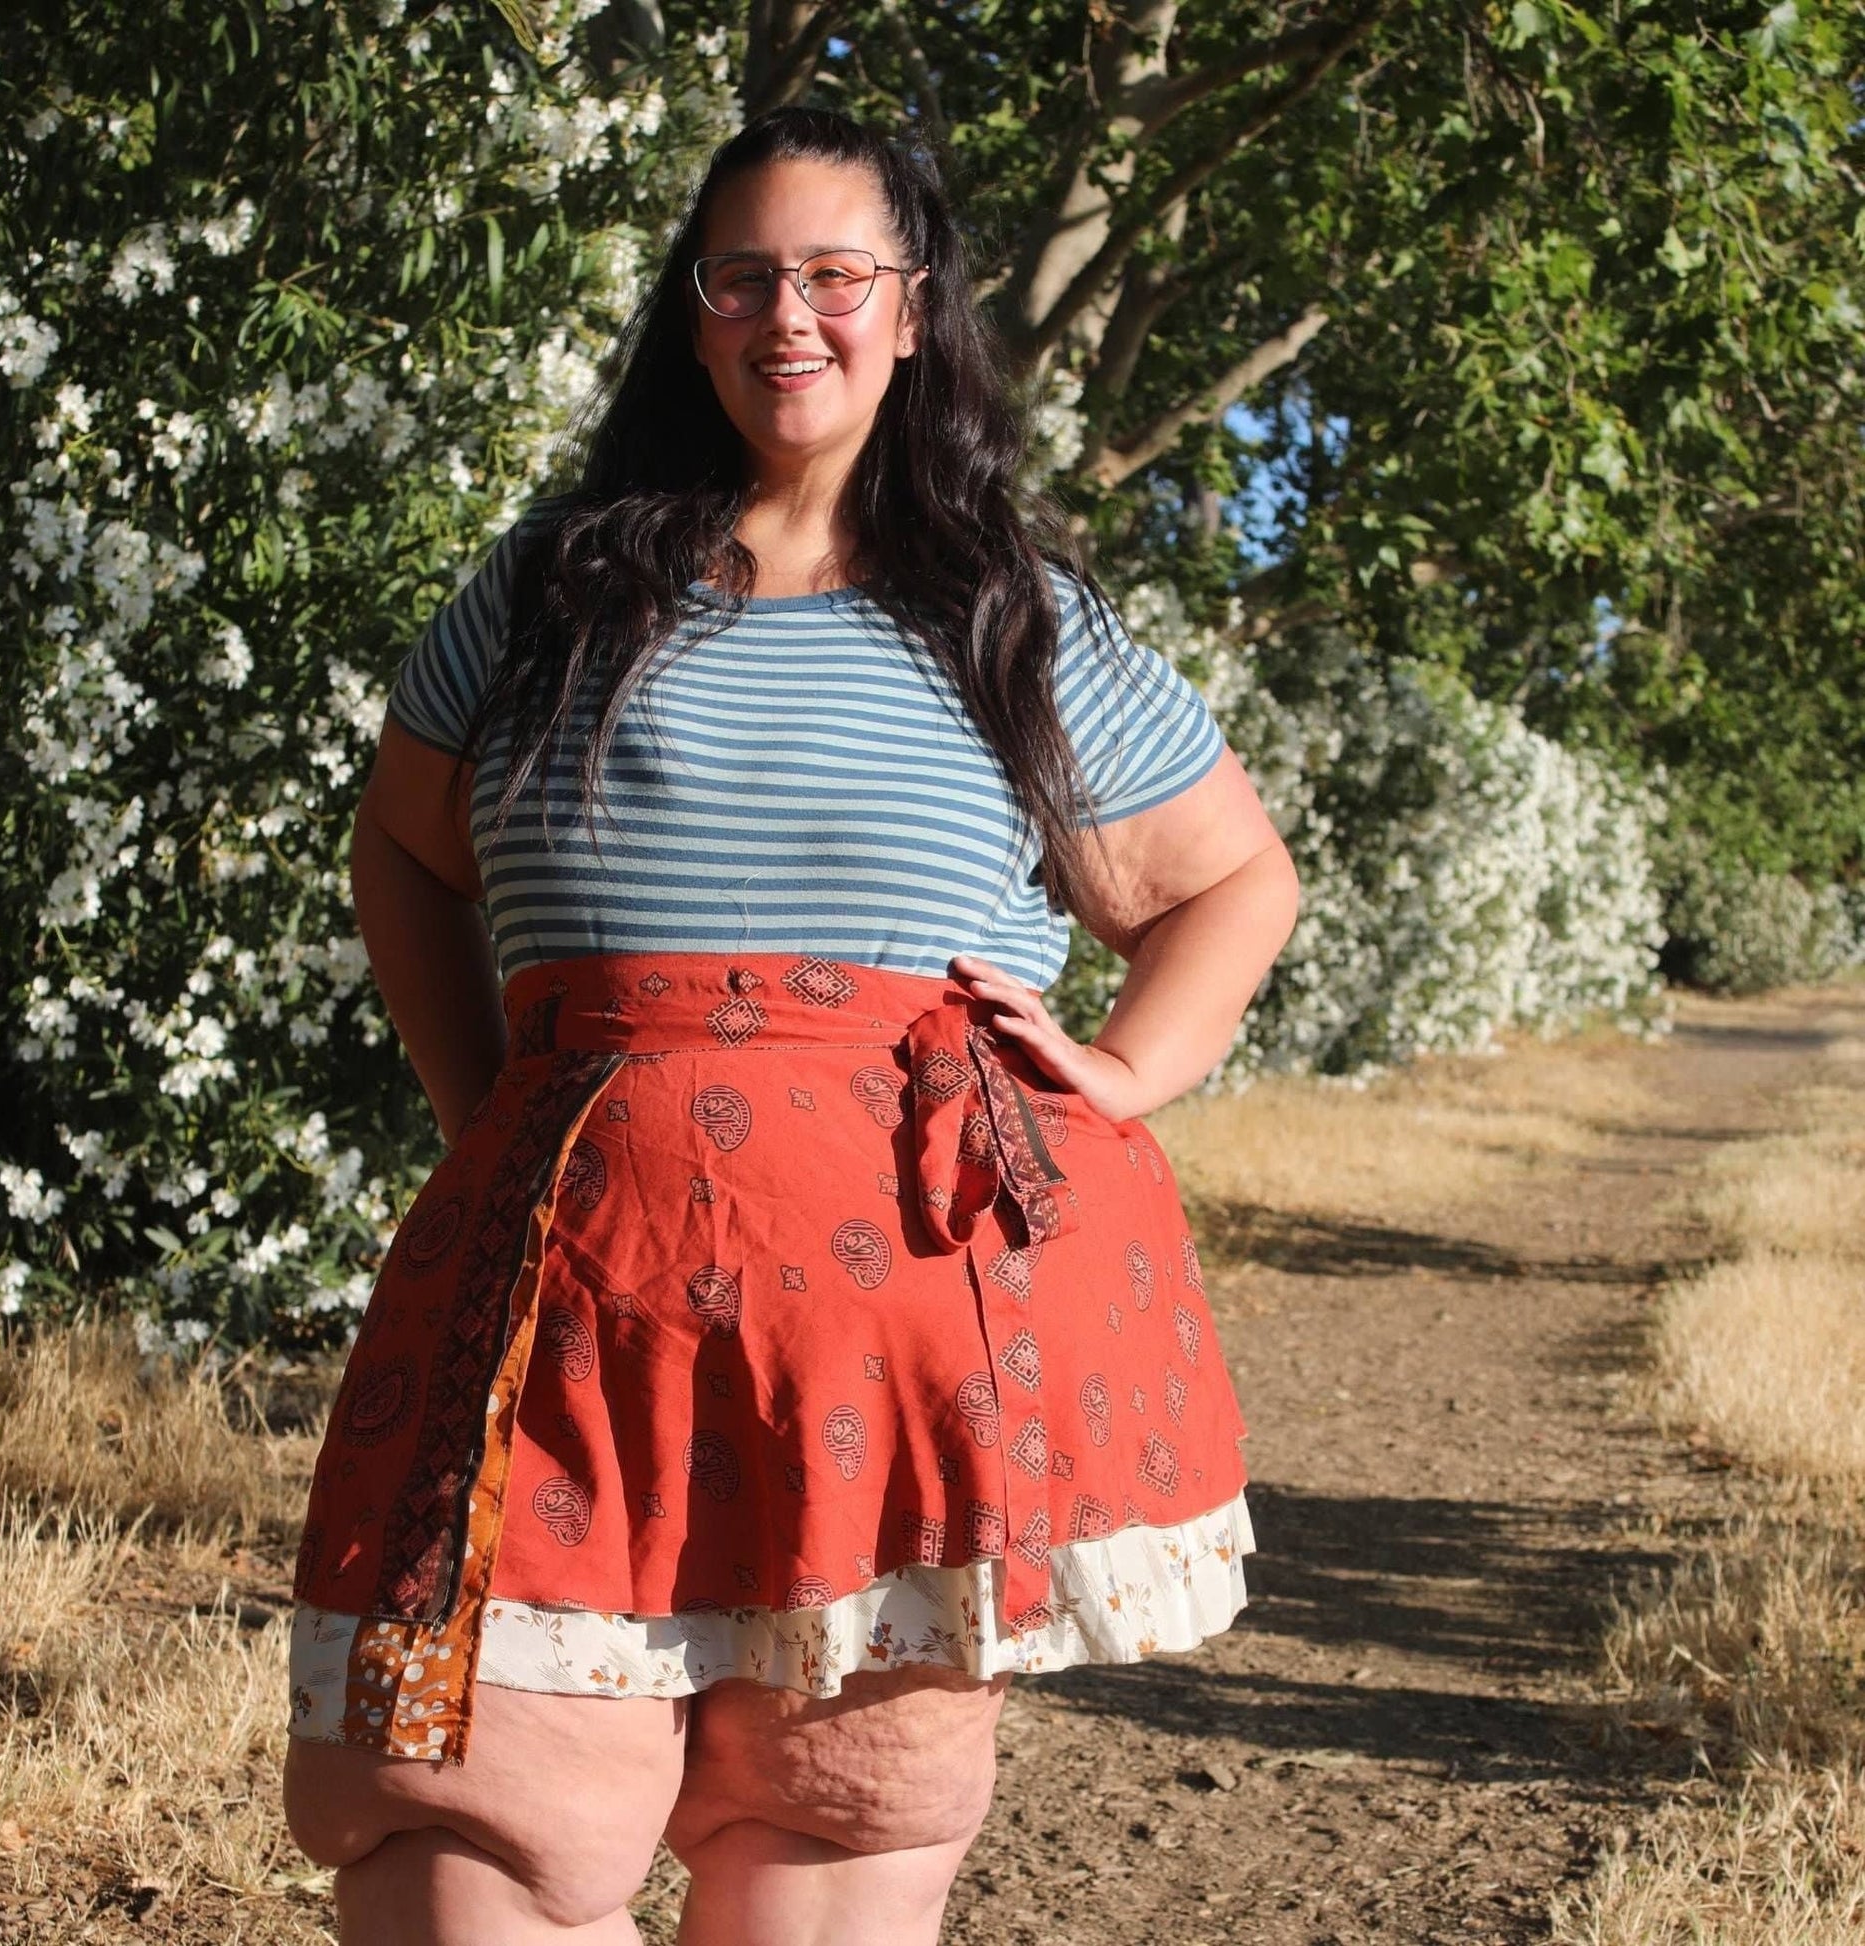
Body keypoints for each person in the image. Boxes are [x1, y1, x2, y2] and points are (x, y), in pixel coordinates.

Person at [281, 103, 1299, 1946]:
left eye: (835, 274)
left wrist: (1125, 1071)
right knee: (466, 1829)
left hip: (900, 1332)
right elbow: (403, 854)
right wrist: (491, 1110)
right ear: (694, 317)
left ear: (911, 310)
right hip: (562, 1303)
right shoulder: (546, 594)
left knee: (833, 1823)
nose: (788, 315)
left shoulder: (1012, 620)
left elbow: (1231, 880)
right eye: (742, 276)